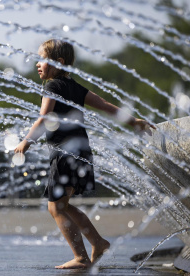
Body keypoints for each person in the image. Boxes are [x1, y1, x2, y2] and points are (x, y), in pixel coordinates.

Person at [14, 39, 155, 270]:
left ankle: (80, 257)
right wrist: (134, 121)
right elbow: (105, 105)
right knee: (64, 205)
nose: (37, 64)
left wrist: (25, 142)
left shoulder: (52, 87)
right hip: (81, 153)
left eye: (41, 59)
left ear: (59, 62)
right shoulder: (76, 88)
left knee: (55, 207)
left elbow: (43, 118)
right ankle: (98, 243)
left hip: (63, 155)